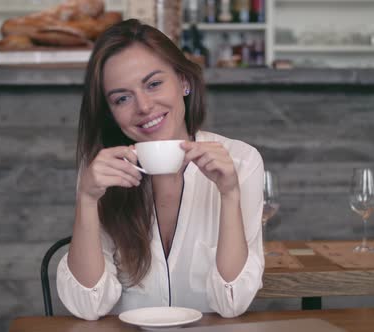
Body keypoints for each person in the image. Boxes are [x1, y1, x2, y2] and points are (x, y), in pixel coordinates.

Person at [57, 18, 265, 320]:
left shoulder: (242, 160)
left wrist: (229, 193)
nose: (143, 106)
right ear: (111, 113)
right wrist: (87, 200)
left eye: (154, 84)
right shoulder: (103, 173)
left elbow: (232, 302)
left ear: (184, 82)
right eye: (122, 98)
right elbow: (88, 305)